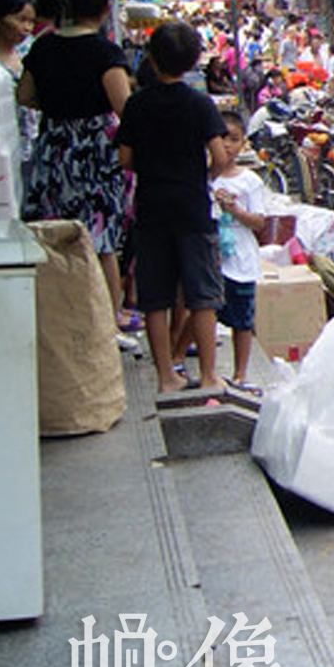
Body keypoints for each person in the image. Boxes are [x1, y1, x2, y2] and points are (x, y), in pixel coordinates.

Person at [118, 22, 226, 397]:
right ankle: (210, 374)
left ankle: (166, 377)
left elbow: (125, 159)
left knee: (155, 298)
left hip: (151, 208)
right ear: (195, 61)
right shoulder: (199, 103)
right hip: (193, 208)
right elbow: (219, 155)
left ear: (150, 57)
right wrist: (203, 175)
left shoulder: (137, 104)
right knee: (202, 295)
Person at [18, 0, 134, 319]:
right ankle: (107, 323)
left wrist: (58, 109)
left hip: (54, 148)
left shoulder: (43, 46)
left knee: (55, 237)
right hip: (95, 151)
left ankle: (60, 318)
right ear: (106, 8)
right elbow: (124, 107)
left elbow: (24, 95)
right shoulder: (105, 51)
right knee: (101, 242)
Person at [209, 115, 282, 396]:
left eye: (234, 139)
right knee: (203, 314)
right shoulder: (205, 178)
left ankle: (240, 375)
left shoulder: (249, 181)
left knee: (242, 320)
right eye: (222, 138)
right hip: (212, 259)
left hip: (240, 260)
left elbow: (260, 223)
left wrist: (235, 210)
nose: (227, 145)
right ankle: (207, 371)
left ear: (243, 144)